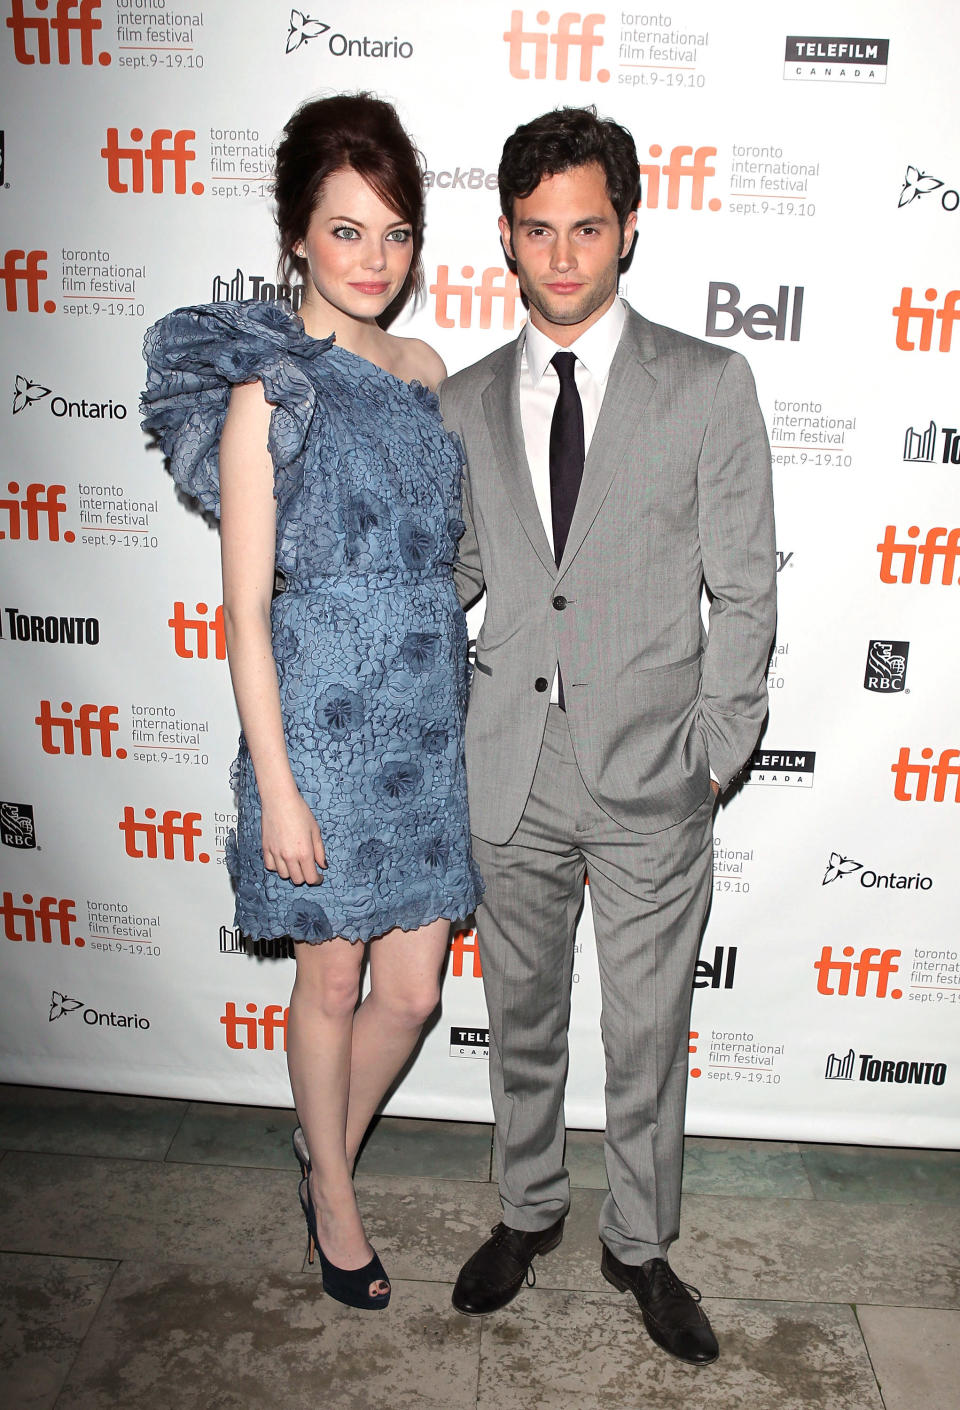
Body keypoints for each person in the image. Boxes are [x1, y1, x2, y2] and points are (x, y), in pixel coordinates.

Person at [439, 107, 776, 1365]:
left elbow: (748, 589)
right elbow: (461, 571)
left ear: (629, 226)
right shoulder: (466, 402)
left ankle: (640, 1245)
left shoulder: (707, 383)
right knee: (521, 1017)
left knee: (644, 1032)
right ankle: (527, 1211)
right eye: (539, 230)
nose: (564, 254)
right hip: (509, 770)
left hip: (652, 771)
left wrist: (717, 747)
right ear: (510, 241)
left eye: (589, 226)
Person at [141, 93, 482, 1312]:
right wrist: (277, 790)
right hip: (322, 730)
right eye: (347, 233)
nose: (374, 262)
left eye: (395, 235)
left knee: (416, 992)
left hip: (426, 718)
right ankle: (334, 1197)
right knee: (330, 983)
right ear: (295, 237)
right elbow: (243, 613)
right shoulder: (265, 393)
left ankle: (314, 1143)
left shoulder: (427, 370)